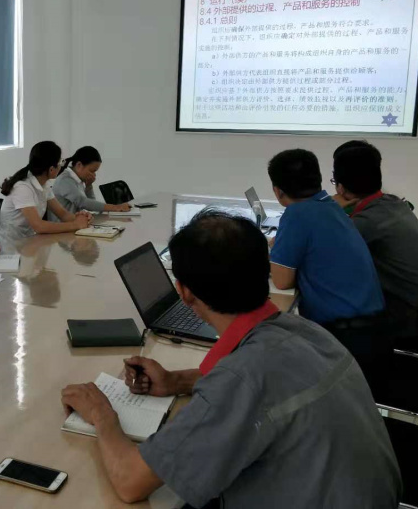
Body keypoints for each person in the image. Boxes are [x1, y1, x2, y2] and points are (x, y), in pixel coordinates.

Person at [61, 210, 400, 507]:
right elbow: (265, 387)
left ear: (184, 292)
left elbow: (130, 482)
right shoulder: (306, 331)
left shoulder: (241, 379)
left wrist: (102, 413)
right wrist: (177, 381)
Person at [267, 149, 384, 325]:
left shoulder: (296, 214)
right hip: (371, 320)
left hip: (345, 330)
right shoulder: (331, 205)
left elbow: (282, 281)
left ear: (278, 191)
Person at [332, 140, 418, 317]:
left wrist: (330, 210)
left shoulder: (366, 221)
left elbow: (322, 255)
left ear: (341, 188)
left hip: (410, 312)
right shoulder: (393, 203)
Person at [0, 141, 92, 251]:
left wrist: (83, 219)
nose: (61, 166)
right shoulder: (22, 187)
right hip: (12, 250)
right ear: (51, 169)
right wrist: (76, 225)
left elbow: (63, 214)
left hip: (30, 244)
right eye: (60, 162)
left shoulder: (44, 184)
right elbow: (39, 226)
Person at [52, 146, 131, 215]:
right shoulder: (65, 180)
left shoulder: (78, 179)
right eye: (92, 171)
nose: (94, 175)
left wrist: (89, 186)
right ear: (79, 165)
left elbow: (92, 205)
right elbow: (83, 202)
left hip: (74, 223)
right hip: (63, 225)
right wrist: (116, 207)